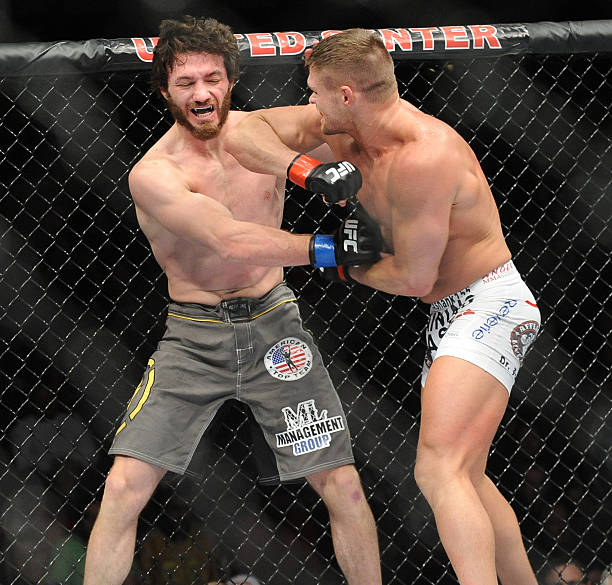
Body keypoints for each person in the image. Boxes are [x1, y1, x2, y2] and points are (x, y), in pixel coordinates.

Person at [224, 28, 542, 585]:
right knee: (466, 475)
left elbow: (415, 277)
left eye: (315, 91)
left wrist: (339, 261)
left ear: (346, 94)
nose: (310, 100)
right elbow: (241, 132)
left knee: (438, 468)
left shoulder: (424, 156)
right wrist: (306, 170)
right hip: (450, 311)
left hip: (491, 301)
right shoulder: (342, 134)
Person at [82, 17, 383, 585]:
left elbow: (356, 123)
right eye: (186, 82)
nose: (201, 94)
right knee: (123, 487)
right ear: (164, 90)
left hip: (275, 325)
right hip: (193, 337)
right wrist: (328, 249)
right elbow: (229, 240)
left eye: (212, 79)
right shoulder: (154, 173)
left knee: (341, 483)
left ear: (231, 80)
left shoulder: (266, 132)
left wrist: (361, 196)